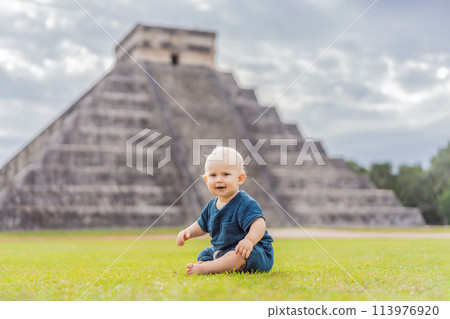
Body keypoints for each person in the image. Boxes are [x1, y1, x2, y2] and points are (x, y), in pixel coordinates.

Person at [177, 146, 274, 275]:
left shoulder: (244, 202)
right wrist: (188, 231)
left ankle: (208, 268)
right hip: (223, 250)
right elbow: (201, 225)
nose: (218, 179)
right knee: (204, 254)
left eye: (226, 174)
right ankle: (214, 265)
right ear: (206, 180)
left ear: (239, 178)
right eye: (213, 175)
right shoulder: (211, 206)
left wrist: (249, 240)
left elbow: (259, 223)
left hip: (253, 251)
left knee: (235, 257)